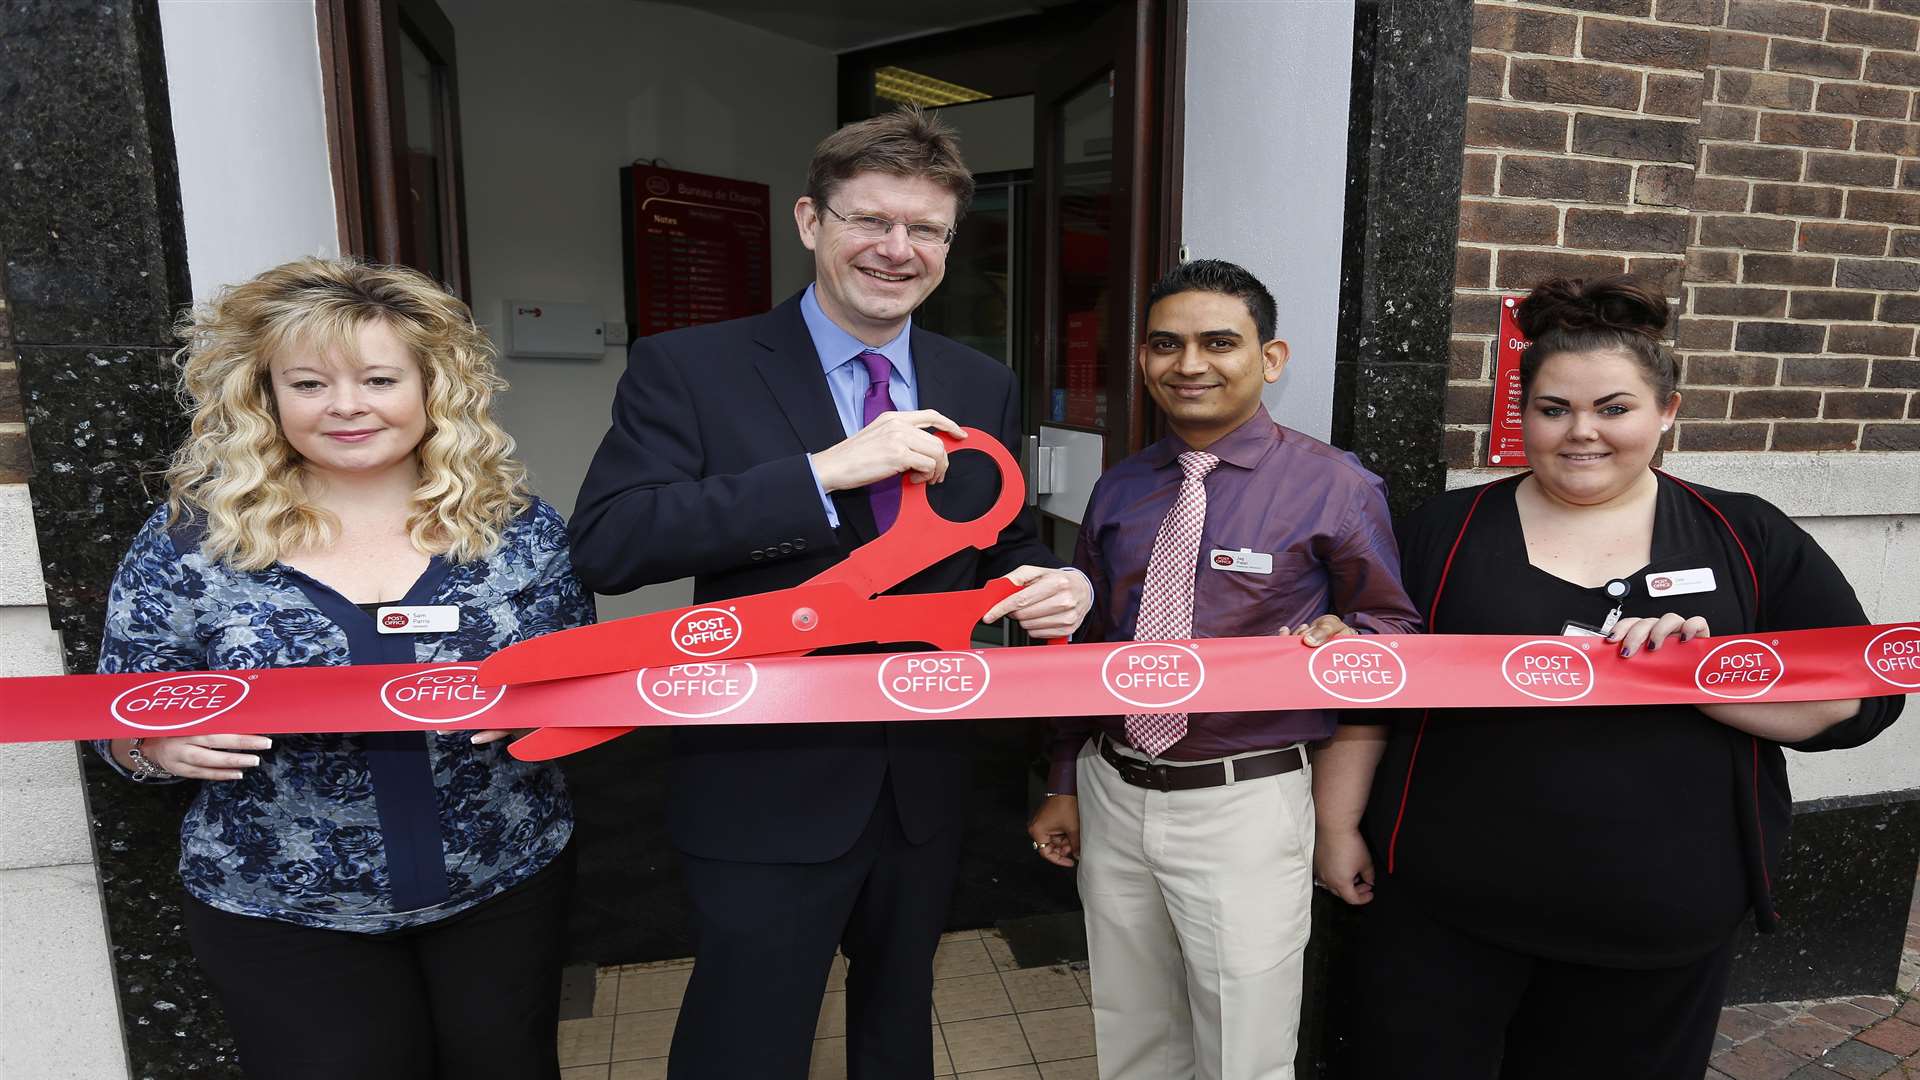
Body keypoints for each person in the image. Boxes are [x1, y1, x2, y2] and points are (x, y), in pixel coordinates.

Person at [568, 105, 1090, 1079]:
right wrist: (821, 473)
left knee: (898, 1026)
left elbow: (998, 545)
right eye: (870, 221)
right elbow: (608, 542)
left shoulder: (979, 382)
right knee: (747, 1037)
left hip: (922, 780)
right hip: (765, 780)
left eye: (925, 229)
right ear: (812, 221)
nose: (897, 249)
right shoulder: (691, 367)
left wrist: (1043, 585)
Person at [1314, 275, 1905, 1080]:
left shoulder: (1745, 534)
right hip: (1445, 916)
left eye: (1614, 409)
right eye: (1553, 409)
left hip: (1658, 927)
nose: (1580, 433)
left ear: (1667, 411)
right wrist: (1337, 824)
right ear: (1523, 413)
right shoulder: (1443, 533)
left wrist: (1699, 677)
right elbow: (1376, 687)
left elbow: (1858, 700)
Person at [93, 257, 592, 1080]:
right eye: (310, 383)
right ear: (267, 397)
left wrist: (546, 706)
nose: (347, 406)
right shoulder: (192, 540)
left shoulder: (517, 530)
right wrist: (157, 748)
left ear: (435, 386)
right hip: (280, 915)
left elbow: (577, 678)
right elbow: (121, 713)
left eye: (379, 378)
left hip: (503, 887)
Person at [1026, 259, 1421, 1080]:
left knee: (1243, 1043)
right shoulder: (1122, 488)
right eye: (1166, 344)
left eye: (1218, 342)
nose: (1190, 364)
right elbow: (1089, 647)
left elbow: (1393, 631)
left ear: (1269, 359)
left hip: (1245, 799)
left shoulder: (1334, 486)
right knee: (1132, 1024)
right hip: (1114, 783)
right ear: (1143, 360)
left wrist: (1350, 637)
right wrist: (1064, 779)